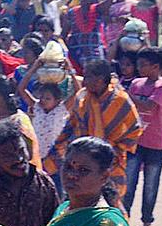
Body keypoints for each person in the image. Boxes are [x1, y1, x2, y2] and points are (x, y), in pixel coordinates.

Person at [55, 59, 144, 201]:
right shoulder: (82, 97)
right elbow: (72, 122)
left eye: (88, 76)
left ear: (100, 79)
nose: (84, 81)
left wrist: (115, 148)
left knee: (110, 200)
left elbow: (135, 129)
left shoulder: (120, 100)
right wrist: (59, 143)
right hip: (81, 158)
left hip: (110, 161)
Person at [125, 48, 162, 226]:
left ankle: (147, 216)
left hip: (156, 142)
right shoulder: (136, 83)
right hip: (135, 140)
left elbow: (148, 107)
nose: (139, 68)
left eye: (143, 65)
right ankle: (125, 214)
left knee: (150, 183)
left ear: (155, 66)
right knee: (129, 180)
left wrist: (126, 96)